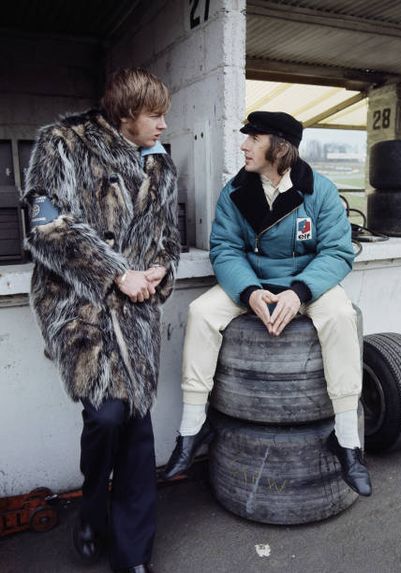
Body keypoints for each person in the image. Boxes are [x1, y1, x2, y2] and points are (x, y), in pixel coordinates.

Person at [162, 111, 371, 497]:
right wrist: (249, 292)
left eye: (253, 139)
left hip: (307, 284)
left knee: (342, 315)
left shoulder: (320, 191)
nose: (243, 146)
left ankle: (346, 442)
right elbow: (225, 249)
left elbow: (338, 252)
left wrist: (300, 292)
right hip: (253, 281)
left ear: (278, 146)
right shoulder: (235, 192)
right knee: (201, 312)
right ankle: (191, 432)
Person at [23, 68, 181, 573]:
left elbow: (167, 237)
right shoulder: (62, 143)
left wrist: (163, 268)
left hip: (136, 313)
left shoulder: (160, 166)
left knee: (137, 427)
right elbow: (45, 225)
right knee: (107, 416)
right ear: (126, 114)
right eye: (155, 116)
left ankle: (133, 556)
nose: (162, 126)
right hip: (80, 307)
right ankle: (92, 511)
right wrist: (115, 273)